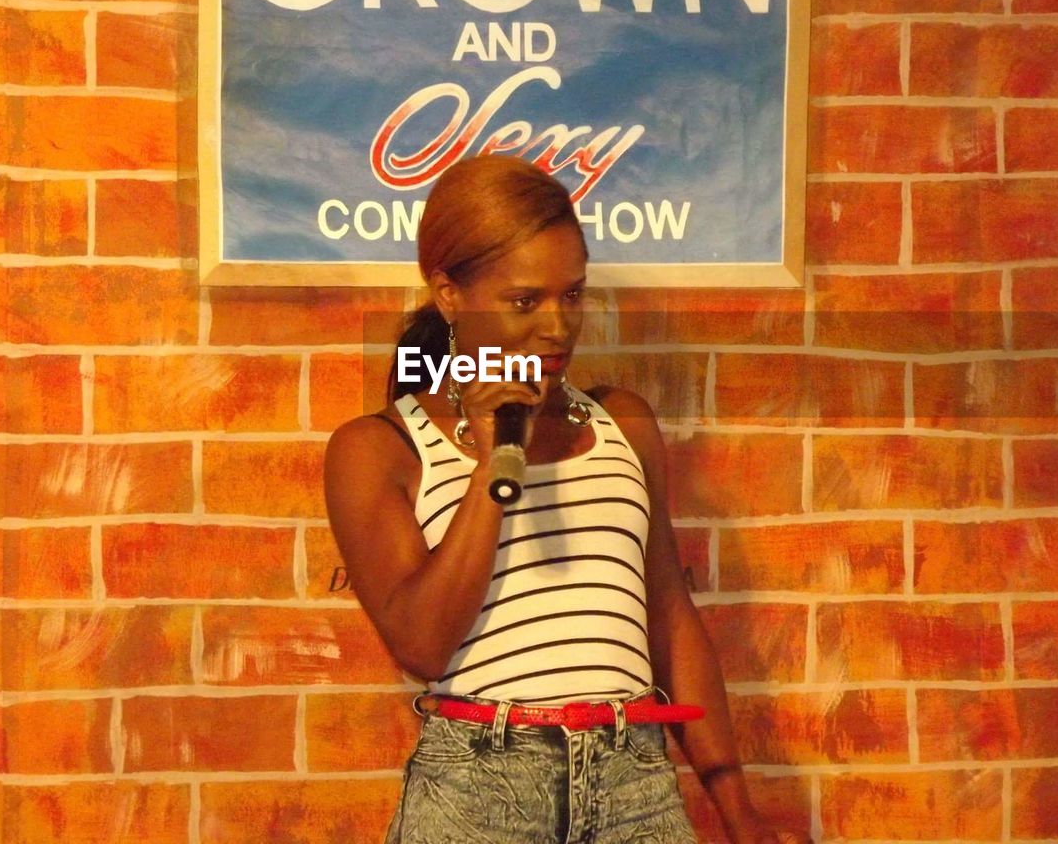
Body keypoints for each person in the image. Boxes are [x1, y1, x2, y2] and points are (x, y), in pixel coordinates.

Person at [324, 156, 805, 844]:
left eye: (572, 296)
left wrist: (737, 809)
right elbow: (423, 643)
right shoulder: (379, 449)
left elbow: (668, 612)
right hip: (478, 794)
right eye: (525, 301)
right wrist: (495, 462)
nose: (557, 326)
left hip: (634, 781)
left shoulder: (622, 425)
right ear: (449, 293)